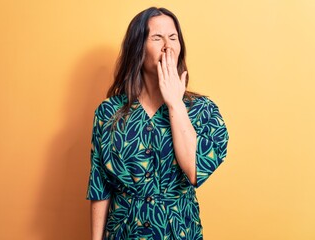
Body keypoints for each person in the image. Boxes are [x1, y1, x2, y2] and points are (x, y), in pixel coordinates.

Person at [86, 6, 229, 240]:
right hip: (124, 231)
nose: (167, 45)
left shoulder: (203, 110)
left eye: (173, 37)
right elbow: (100, 185)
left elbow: (195, 171)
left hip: (178, 231)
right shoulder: (108, 113)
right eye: (156, 38)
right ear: (137, 49)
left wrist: (175, 103)